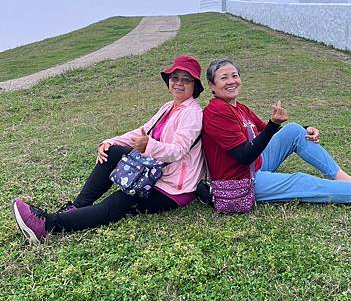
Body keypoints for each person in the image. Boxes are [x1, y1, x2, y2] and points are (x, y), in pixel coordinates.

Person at [12, 55, 206, 244]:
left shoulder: (192, 114)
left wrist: (149, 145)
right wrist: (110, 141)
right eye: (175, 78)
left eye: (186, 80)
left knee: (120, 201)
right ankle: (76, 207)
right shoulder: (168, 107)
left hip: (173, 188)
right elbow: (141, 131)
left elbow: (178, 151)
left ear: (194, 86)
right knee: (111, 151)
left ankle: (47, 225)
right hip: (156, 173)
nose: (179, 83)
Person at [202, 58, 351, 208]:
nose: (232, 81)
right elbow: (243, 155)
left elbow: (264, 132)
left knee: (295, 130)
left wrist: (306, 129)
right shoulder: (216, 112)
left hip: (253, 166)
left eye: (235, 75)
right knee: (300, 181)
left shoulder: (237, 107)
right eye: (224, 78)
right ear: (212, 85)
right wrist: (272, 124)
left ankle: (347, 180)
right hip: (239, 180)